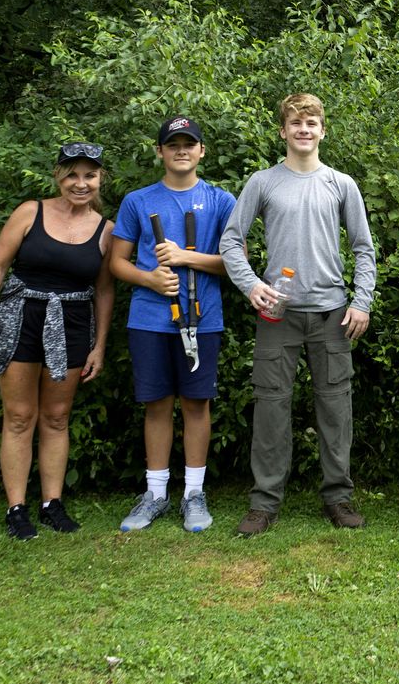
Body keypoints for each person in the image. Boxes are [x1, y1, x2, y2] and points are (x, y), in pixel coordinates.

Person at [220, 93, 377, 535]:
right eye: (295, 123)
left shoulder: (341, 183)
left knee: (335, 410)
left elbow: (364, 248)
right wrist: (251, 284)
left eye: (311, 122)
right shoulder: (263, 182)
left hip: (332, 315)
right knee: (271, 408)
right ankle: (264, 502)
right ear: (283, 131)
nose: (304, 129)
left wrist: (361, 300)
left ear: (323, 130)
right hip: (278, 315)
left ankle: (338, 497)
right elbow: (231, 241)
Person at [0, 142, 115, 540]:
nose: (80, 183)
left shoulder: (107, 231)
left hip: (71, 323)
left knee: (56, 416)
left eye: (89, 175)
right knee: (18, 416)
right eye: (72, 174)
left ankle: (52, 503)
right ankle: (16, 508)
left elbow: (104, 291)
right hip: (19, 319)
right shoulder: (30, 212)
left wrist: (99, 345)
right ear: (58, 175)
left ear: (101, 179)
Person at [110, 116, 235, 533]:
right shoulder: (137, 201)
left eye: (189, 143)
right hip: (149, 319)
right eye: (173, 144)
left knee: (196, 404)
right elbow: (116, 262)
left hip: (204, 319)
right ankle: (156, 493)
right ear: (160, 151)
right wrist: (148, 277)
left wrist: (184, 257)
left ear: (202, 151)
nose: (181, 150)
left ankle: (194, 493)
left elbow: (235, 263)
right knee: (157, 404)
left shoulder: (221, 201)